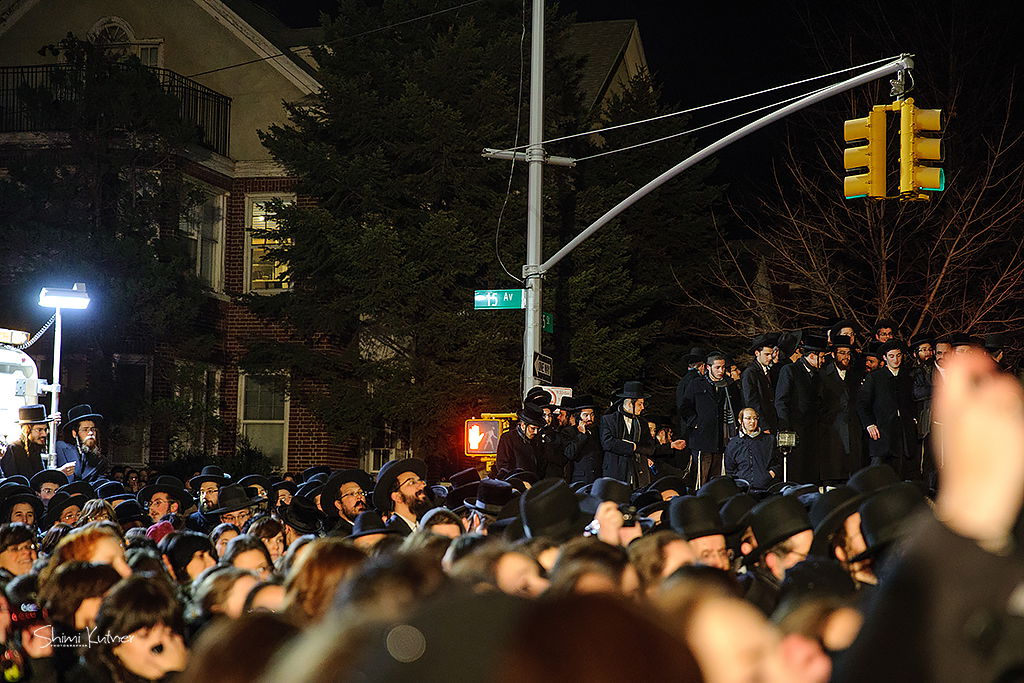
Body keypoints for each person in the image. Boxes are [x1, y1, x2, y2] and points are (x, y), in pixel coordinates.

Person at [602, 382, 686, 489]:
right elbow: (608, 443)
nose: (642, 407)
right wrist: (632, 447)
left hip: (638, 471)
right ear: (629, 404)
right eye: (640, 404)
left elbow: (650, 448)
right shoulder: (609, 420)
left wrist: (636, 447)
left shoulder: (642, 423)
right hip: (616, 471)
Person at [679, 354, 742, 488]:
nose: (721, 371)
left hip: (723, 439)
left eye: (723, 367)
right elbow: (685, 407)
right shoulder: (696, 384)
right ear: (708, 367)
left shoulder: (730, 385)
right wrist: (696, 423)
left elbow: (737, 406)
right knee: (700, 479)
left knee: (717, 479)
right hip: (702, 439)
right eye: (717, 367)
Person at [857, 340, 917, 478]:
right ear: (884, 357)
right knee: (877, 473)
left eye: (898, 355)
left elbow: (911, 401)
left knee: (901, 472)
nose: (896, 359)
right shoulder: (875, 377)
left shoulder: (907, 377)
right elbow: (862, 403)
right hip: (882, 432)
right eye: (891, 356)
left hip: (903, 433)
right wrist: (869, 424)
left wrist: (913, 419)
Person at [774, 333, 826, 484]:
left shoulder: (817, 375)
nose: (823, 361)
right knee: (796, 470)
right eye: (821, 357)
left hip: (813, 430)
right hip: (795, 429)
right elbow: (781, 400)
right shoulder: (790, 370)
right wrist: (785, 427)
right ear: (811, 356)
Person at [817, 335, 864, 483]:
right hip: (831, 432)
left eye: (848, 353)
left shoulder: (854, 376)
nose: (846, 357)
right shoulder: (823, 375)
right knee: (833, 474)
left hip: (852, 431)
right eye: (842, 353)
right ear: (833, 354)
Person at [373, 458, 431, 536]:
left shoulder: (426, 530)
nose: (422, 485)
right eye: (412, 482)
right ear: (397, 497)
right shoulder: (391, 536)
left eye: (420, 481)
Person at [724, 408, 780, 488]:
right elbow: (730, 470)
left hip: (766, 488)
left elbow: (777, 462)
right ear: (740, 421)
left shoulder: (769, 440)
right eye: (748, 418)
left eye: (755, 418)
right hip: (742, 490)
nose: (752, 421)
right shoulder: (733, 444)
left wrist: (770, 475)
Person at [55, 404, 109, 482]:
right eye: (85, 429)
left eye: (93, 429)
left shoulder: (100, 460)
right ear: (74, 433)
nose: (90, 433)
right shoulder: (60, 448)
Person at [1, 404, 57, 479]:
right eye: (39, 430)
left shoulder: (35, 449)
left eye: (45, 430)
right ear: (26, 430)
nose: (44, 434)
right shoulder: (13, 450)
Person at [494, 404, 545, 476]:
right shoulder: (508, 438)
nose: (536, 432)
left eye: (538, 429)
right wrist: (519, 482)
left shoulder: (537, 440)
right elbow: (503, 466)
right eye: (533, 428)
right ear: (523, 425)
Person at [741, 334, 778, 433]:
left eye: (771, 354)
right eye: (767, 354)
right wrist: (763, 425)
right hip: (760, 424)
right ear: (757, 353)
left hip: (771, 421)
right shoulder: (750, 373)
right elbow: (751, 401)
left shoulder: (769, 370)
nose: (770, 357)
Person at [562, 395, 602, 484]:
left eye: (592, 415)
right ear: (578, 417)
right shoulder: (569, 432)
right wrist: (582, 435)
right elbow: (570, 453)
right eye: (586, 415)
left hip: (597, 479)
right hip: (579, 480)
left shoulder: (597, 430)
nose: (589, 418)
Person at [320, 470, 373, 537]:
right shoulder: (338, 539)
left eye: (360, 492)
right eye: (351, 494)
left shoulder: (371, 528)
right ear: (338, 504)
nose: (359, 497)